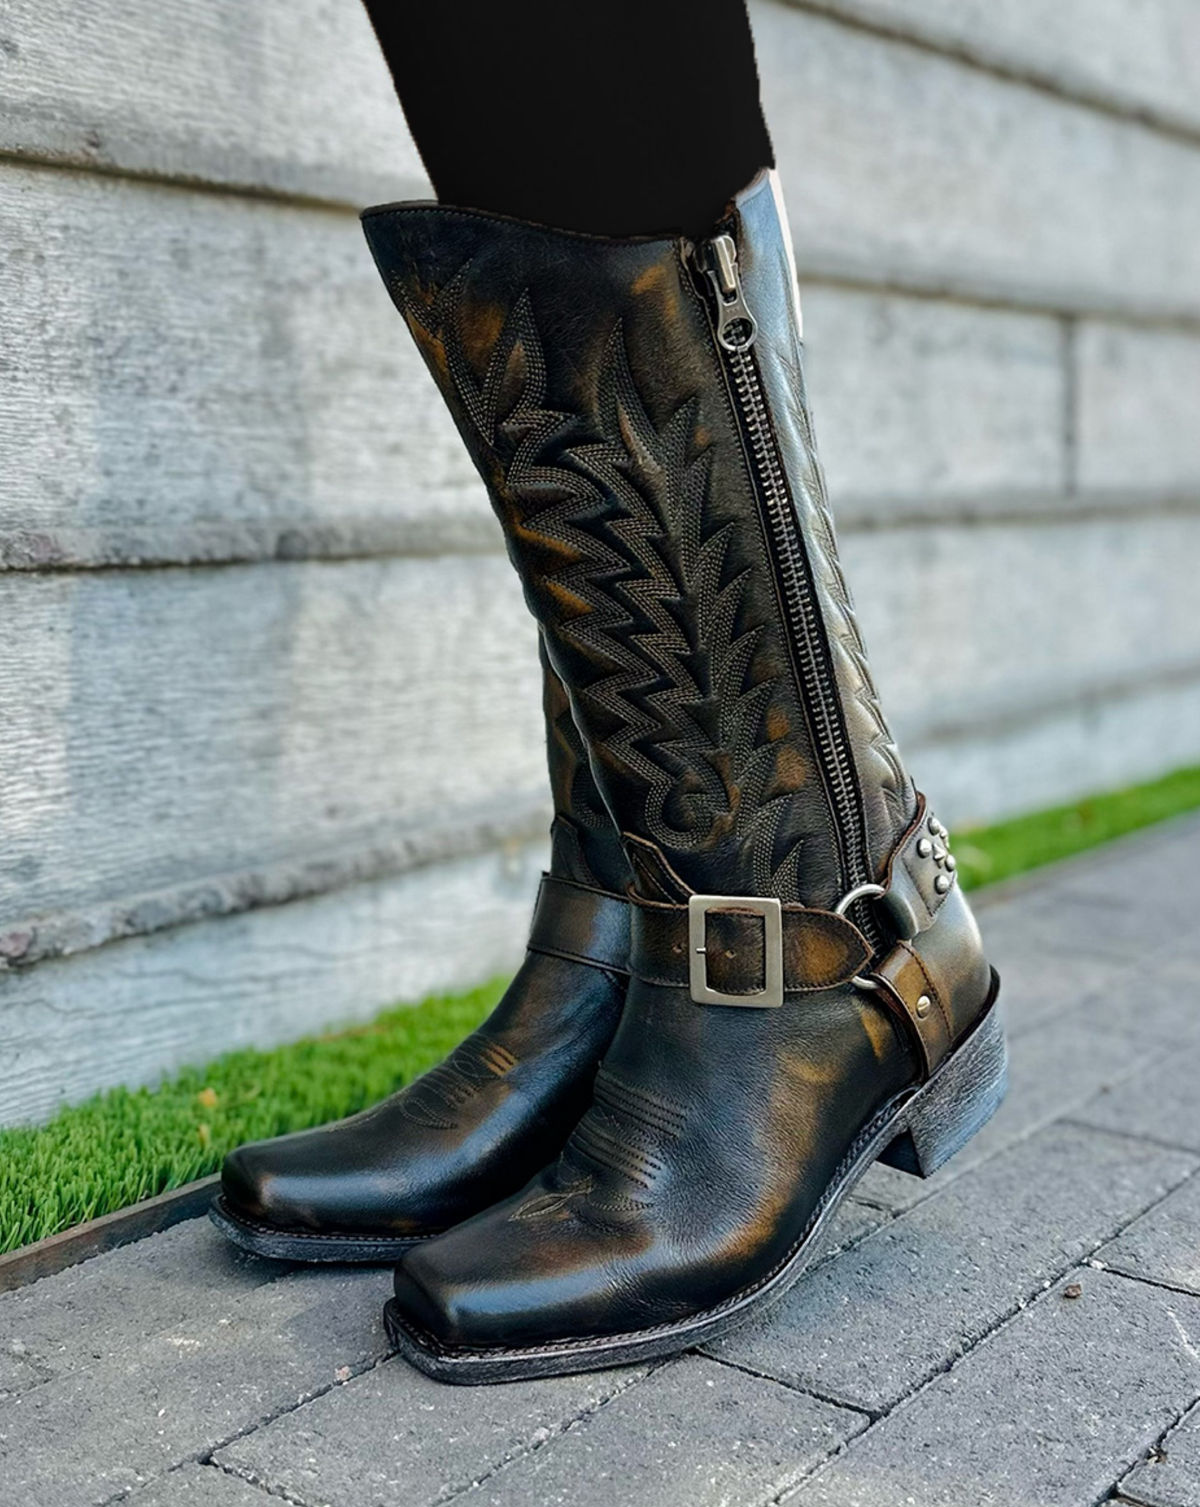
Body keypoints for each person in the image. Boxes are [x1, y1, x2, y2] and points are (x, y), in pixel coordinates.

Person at [213, 0, 1005, 1384]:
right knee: (553, 272)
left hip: (809, 940)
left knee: (566, 94)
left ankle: (815, 953)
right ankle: (639, 930)